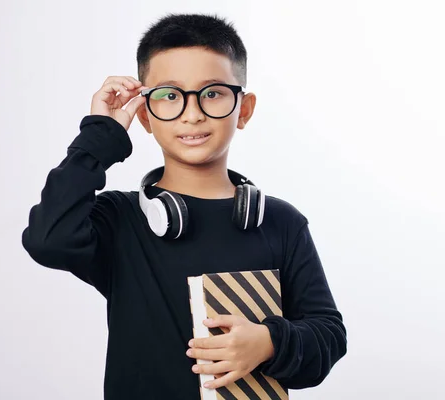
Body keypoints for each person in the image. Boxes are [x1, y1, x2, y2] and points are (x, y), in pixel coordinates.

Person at [22, 13, 347, 400]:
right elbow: (48, 239)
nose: (192, 113)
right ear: (144, 114)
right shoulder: (120, 220)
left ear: (243, 109)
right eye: (169, 96)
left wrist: (269, 342)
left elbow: (328, 335)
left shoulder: (281, 222)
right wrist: (98, 137)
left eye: (212, 93)